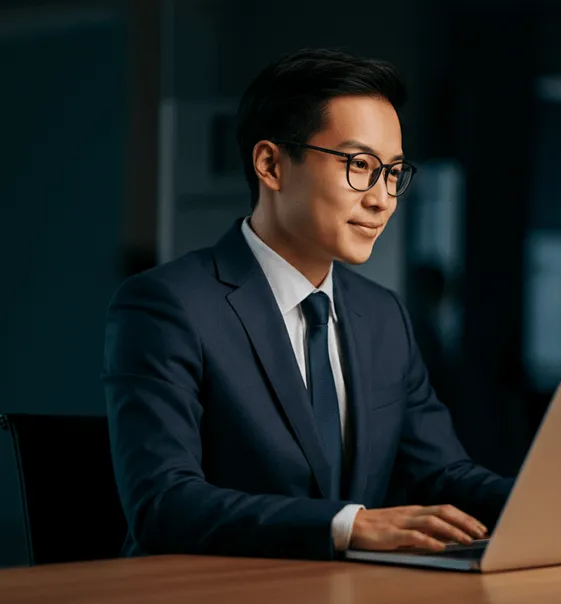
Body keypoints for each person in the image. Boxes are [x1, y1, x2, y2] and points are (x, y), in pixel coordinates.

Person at [103, 48, 513, 561]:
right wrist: (349, 526)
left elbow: (443, 474)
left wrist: (547, 502)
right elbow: (164, 504)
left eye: (393, 172)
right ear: (271, 164)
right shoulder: (167, 306)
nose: (382, 198)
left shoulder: (382, 315)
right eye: (360, 165)